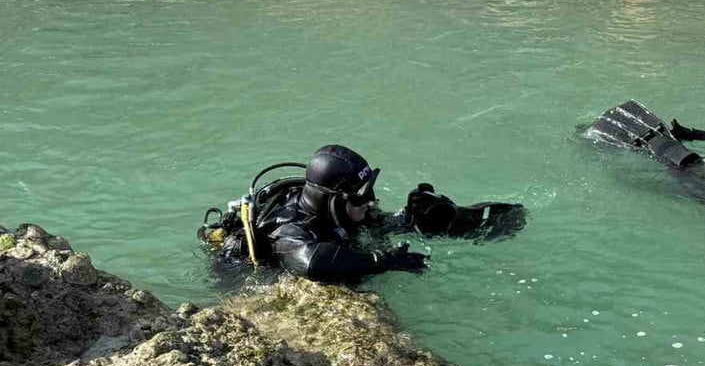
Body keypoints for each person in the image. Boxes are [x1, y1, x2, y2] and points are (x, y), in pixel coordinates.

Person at [199, 144, 525, 282]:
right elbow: (309, 262)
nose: (369, 203)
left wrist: (416, 217)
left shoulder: (345, 211)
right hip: (245, 280)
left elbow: (375, 226)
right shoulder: (289, 228)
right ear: (333, 200)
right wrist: (384, 263)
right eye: (361, 198)